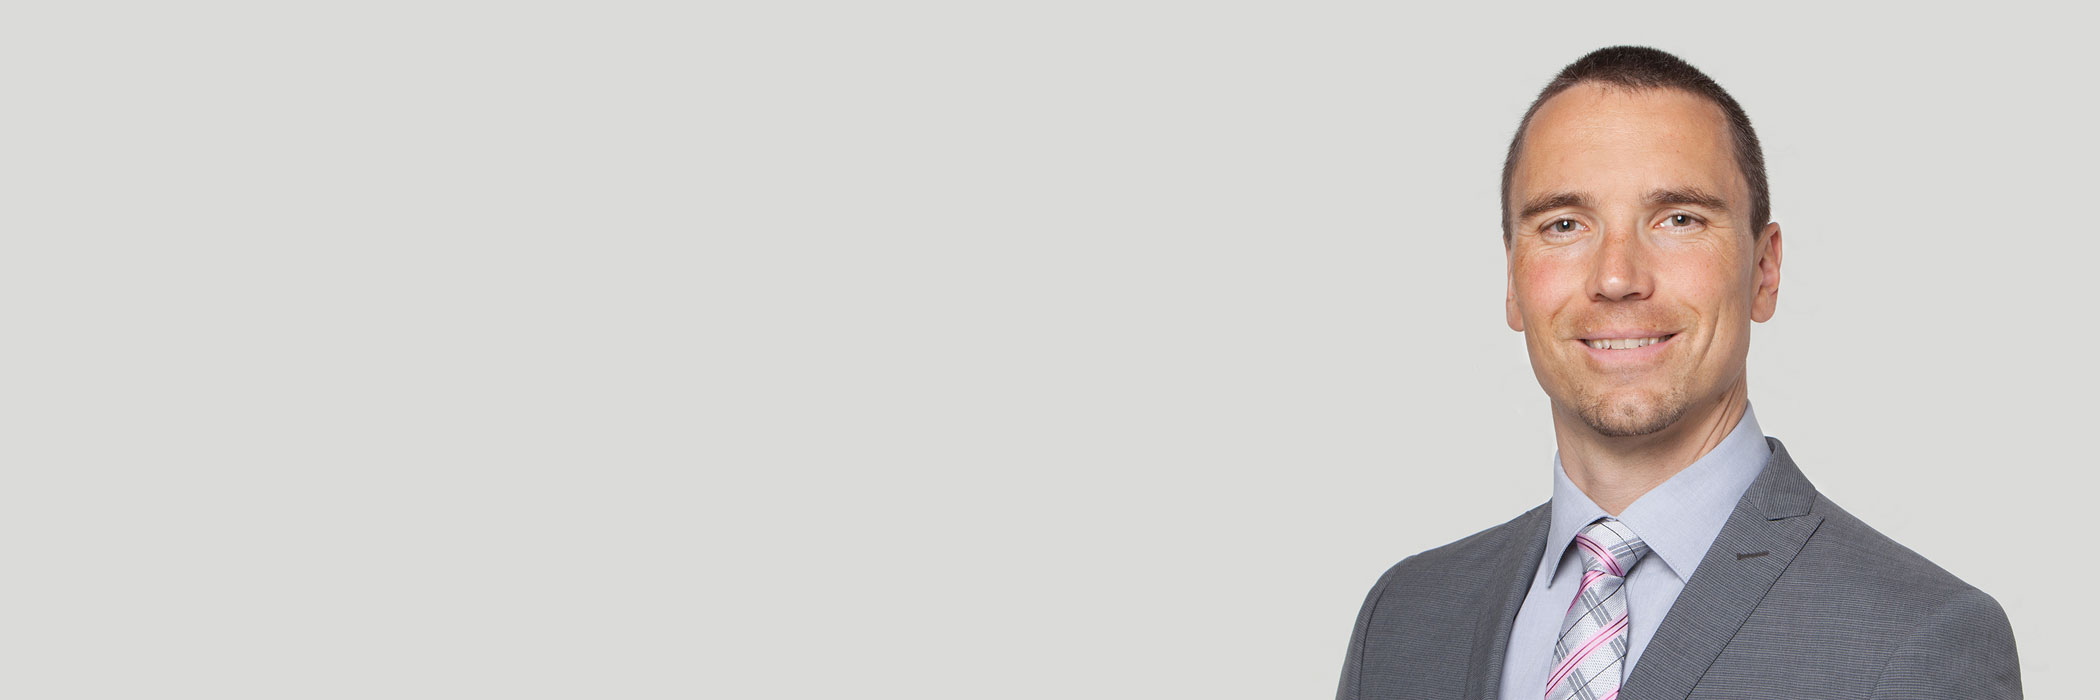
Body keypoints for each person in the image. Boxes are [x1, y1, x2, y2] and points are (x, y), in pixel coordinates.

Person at [1334, 47, 2020, 700]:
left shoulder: (1916, 638)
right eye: (1565, 225)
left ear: (1764, 271)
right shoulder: (1402, 619)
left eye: (1678, 219)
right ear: (1513, 281)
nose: (1616, 277)